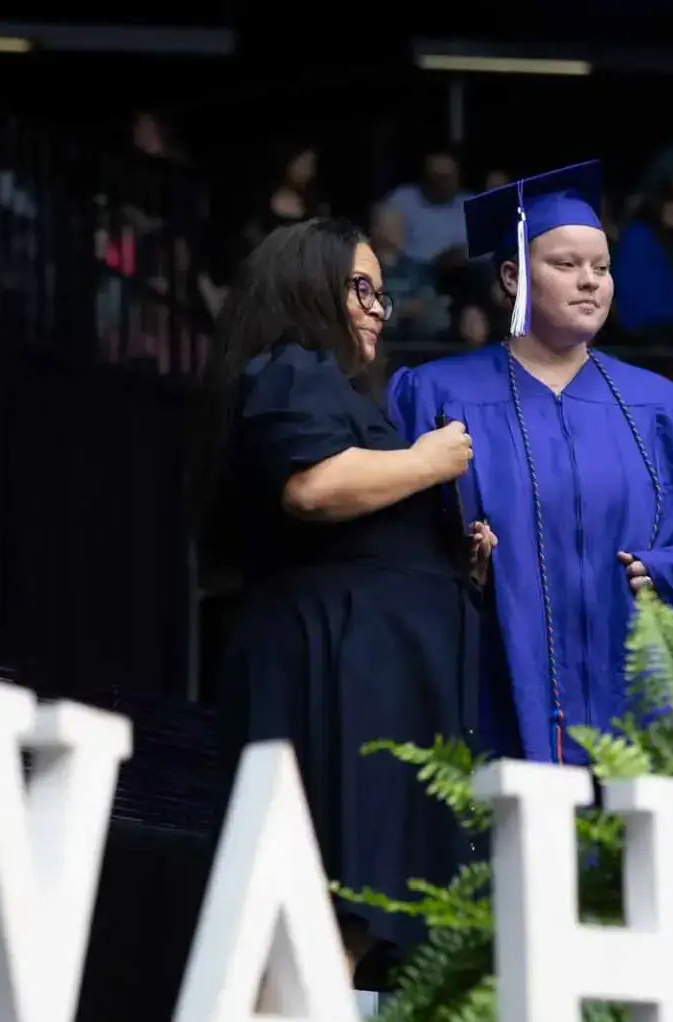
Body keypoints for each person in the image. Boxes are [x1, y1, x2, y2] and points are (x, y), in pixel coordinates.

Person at [387, 161, 673, 765]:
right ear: (512, 276)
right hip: (495, 694)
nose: (590, 281)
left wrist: (669, 573)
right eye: (565, 265)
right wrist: (458, 565)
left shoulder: (663, 407)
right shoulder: (437, 396)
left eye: (602, 267)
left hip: (635, 695)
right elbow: (390, 543)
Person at [199, 218, 490, 930]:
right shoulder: (293, 366)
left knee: (362, 917)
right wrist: (430, 461)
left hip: (379, 669)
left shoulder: (336, 390)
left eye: (381, 294)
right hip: (340, 671)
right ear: (306, 285)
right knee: (333, 907)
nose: (373, 308)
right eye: (360, 287)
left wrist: (453, 560)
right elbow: (312, 487)